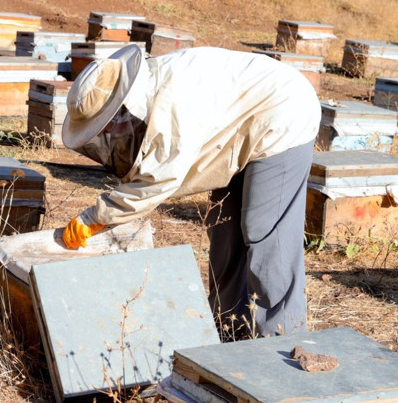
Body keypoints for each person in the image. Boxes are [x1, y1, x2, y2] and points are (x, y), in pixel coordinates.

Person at [61, 44, 320, 341]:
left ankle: (282, 339)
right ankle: (229, 328)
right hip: (238, 126)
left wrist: (96, 216)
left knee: (264, 231)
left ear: (121, 112)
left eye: (106, 127)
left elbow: (158, 180)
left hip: (283, 115)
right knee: (224, 229)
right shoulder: (152, 93)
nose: (110, 136)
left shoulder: (171, 107)